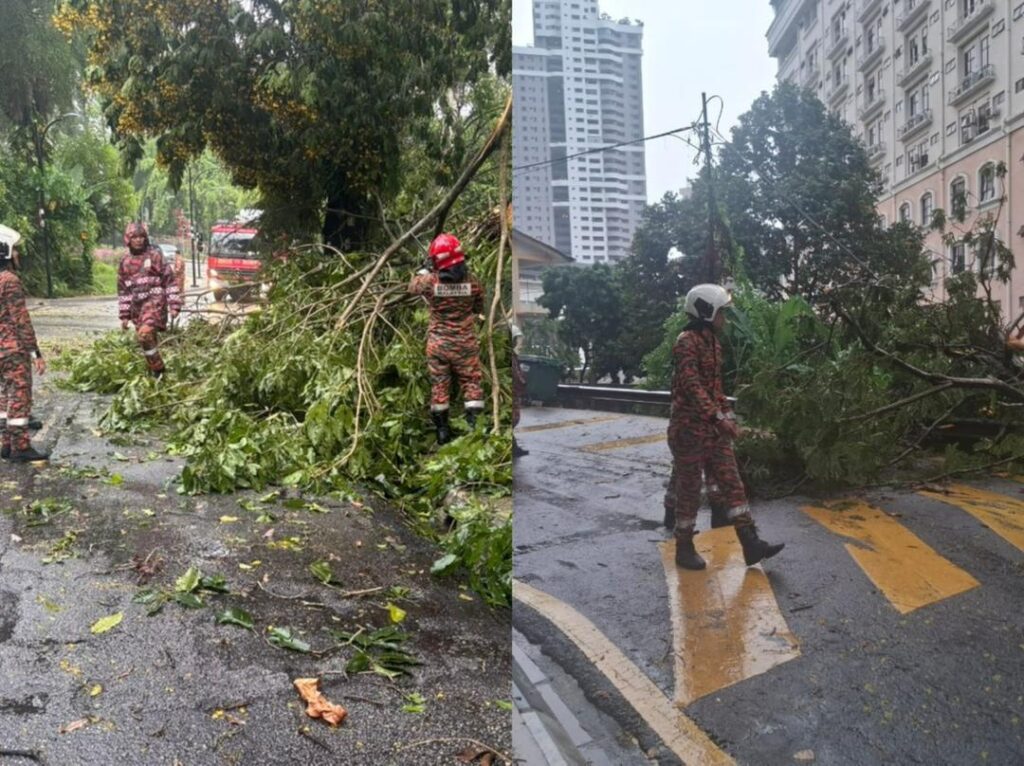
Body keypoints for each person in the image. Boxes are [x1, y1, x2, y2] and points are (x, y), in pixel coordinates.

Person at [667, 284, 784, 570]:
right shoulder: (686, 342)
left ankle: (751, 543)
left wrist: (727, 415)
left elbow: (716, 389)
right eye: (722, 313)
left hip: (713, 430)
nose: (725, 320)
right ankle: (684, 547)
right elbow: (692, 387)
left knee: (733, 482)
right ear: (706, 312)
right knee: (690, 491)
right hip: (688, 431)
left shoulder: (714, 343)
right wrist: (717, 417)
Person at [408, 233, 485, 444]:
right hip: (465, 345)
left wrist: (424, 270)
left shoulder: (430, 283)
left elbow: (412, 286)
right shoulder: (474, 283)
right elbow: (479, 307)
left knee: (439, 385)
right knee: (471, 383)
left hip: (438, 345)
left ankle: (442, 433)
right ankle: (473, 431)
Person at [0, 225, 48, 462]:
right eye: (15, 250)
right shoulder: (9, 280)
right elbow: (21, 320)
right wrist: (34, 352)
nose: (18, 254)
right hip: (11, 349)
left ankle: (6, 443)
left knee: (3, 396)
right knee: (19, 393)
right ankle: (20, 446)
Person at [117, 222, 182, 378]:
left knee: (144, 335)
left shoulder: (155, 256)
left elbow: (169, 280)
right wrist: (125, 316)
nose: (138, 240)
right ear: (128, 239)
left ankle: (159, 370)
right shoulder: (125, 262)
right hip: (137, 308)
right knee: (147, 341)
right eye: (135, 237)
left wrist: (174, 304)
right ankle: (156, 371)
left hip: (155, 304)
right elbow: (123, 291)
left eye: (141, 237)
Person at [510, 323, 529, 458]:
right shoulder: (511, 358)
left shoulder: (513, 357)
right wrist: (523, 383)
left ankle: (514, 447)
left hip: (513, 393)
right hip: (512, 393)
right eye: (517, 340)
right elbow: (516, 377)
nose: (520, 344)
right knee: (514, 418)